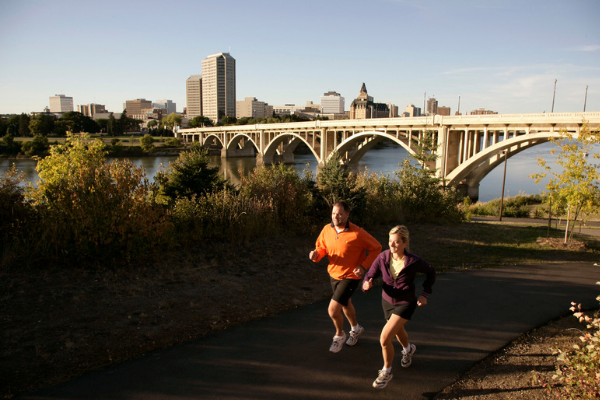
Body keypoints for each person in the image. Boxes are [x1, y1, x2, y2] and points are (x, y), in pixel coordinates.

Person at [362, 225, 436, 389]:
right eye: (390, 241)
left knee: (385, 338)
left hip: (405, 303)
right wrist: (367, 283)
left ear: (405, 243)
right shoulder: (383, 257)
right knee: (397, 331)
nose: (392, 245)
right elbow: (370, 273)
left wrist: (425, 294)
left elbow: (431, 271)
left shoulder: (413, 261)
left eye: (396, 242)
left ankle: (386, 371)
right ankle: (408, 349)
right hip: (387, 302)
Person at [309, 200, 382, 353]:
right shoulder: (326, 230)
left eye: (340, 214)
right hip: (334, 273)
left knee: (333, 310)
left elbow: (377, 248)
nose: (336, 217)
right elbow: (321, 248)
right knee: (345, 304)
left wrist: (363, 266)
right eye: (334, 213)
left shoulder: (357, 233)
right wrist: (316, 255)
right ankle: (356, 329)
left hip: (350, 276)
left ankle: (339, 335)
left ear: (347, 215)